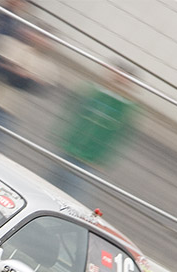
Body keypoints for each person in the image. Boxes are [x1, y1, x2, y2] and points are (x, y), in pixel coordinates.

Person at [47, 63, 139, 204]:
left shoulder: (127, 108)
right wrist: (60, 136)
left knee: (72, 199)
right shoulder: (93, 91)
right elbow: (71, 111)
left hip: (89, 162)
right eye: (117, 73)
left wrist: (104, 161)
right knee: (49, 188)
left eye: (124, 76)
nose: (119, 78)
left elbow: (121, 138)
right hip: (68, 150)